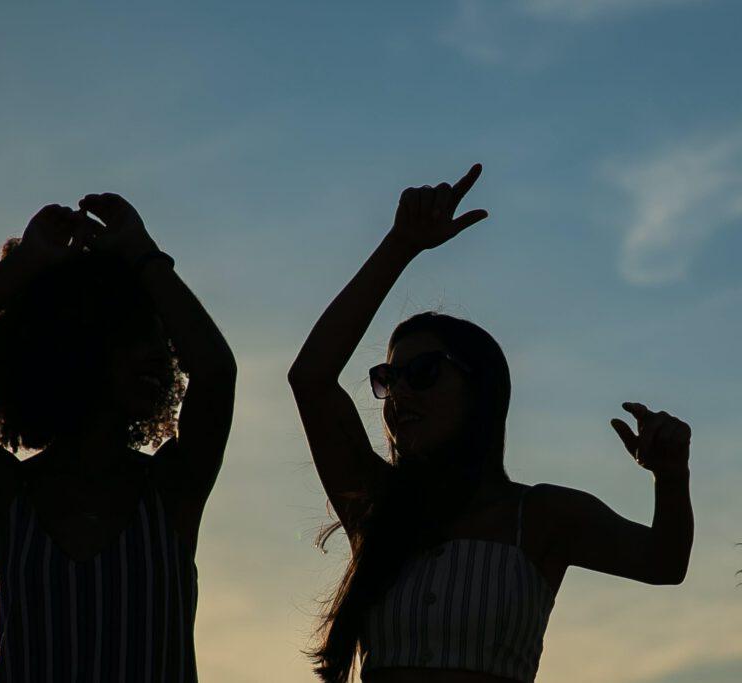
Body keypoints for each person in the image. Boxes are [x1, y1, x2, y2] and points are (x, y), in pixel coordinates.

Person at [287, 164, 693, 683]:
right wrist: (400, 246)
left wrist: (671, 477)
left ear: (480, 391)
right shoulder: (377, 508)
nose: (401, 391)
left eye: (424, 372)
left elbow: (664, 563)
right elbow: (311, 379)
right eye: (389, 377)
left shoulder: (542, 514)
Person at [0, 194, 236, 682]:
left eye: (161, 338)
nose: (160, 355)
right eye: (136, 334)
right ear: (75, 343)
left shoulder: (173, 489)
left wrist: (145, 255)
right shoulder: (6, 495)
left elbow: (216, 373)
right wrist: (25, 266)